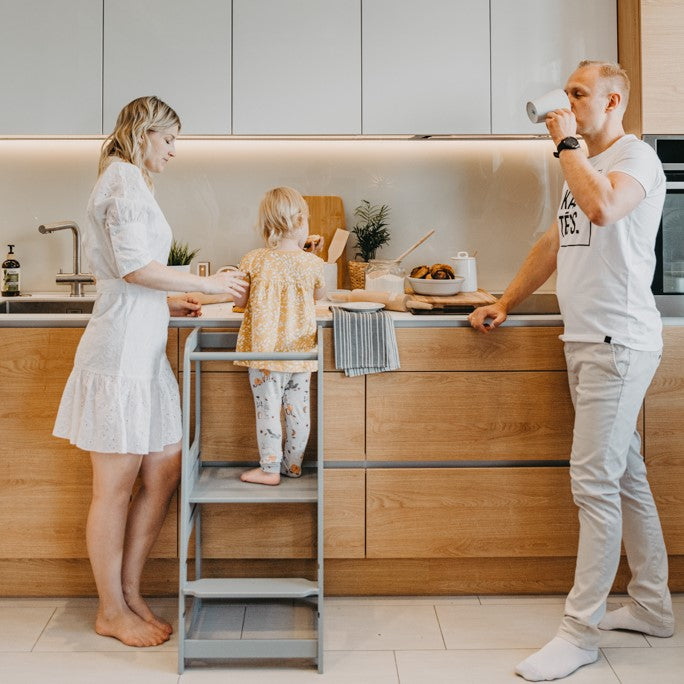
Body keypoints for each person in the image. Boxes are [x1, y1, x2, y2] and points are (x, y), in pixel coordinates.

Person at [469, 61, 674, 681]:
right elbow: (553, 244)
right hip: (586, 341)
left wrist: (565, 145)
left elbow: (607, 209)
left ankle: (580, 632)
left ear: (613, 100)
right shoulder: (579, 168)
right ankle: (652, 606)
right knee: (624, 475)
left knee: (593, 484)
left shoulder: (635, 160)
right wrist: (505, 300)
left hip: (618, 342)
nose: (566, 100)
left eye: (578, 93)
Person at [52, 96, 248, 647]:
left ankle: (131, 592)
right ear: (143, 133)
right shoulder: (120, 181)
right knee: (113, 489)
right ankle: (110, 609)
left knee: (163, 466)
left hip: (143, 352)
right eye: (169, 139)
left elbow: (136, 275)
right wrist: (207, 286)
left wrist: (172, 301)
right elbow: (135, 269)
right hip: (118, 357)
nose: (174, 151)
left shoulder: (133, 183)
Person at [232, 187, 326, 486]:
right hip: (300, 352)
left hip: (264, 354)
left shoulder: (253, 260)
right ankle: (293, 465)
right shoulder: (313, 263)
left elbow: (241, 302)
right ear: (301, 221)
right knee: (298, 412)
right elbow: (320, 296)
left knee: (268, 410)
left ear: (267, 224)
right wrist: (308, 260)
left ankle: (269, 470)